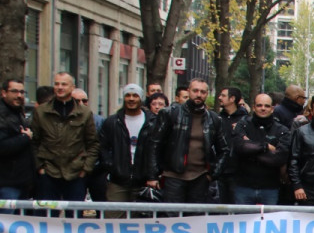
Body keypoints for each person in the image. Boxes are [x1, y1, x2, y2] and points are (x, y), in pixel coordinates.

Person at [147, 78, 230, 204]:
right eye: (195, 90)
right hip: (173, 176)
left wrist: (212, 174)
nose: (199, 95)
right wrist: (153, 176)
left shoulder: (214, 119)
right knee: (173, 217)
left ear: (207, 94)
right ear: (188, 91)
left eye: (203, 92)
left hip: (200, 177)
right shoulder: (170, 114)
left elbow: (224, 149)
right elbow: (154, 144)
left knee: (196, 218)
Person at [31, 71, 100, 202]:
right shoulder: (41, 112)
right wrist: (40, 168)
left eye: (64, 84)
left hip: (76, 173)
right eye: (56, 84)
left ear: (72, 87)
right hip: (49, 173)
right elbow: (35, 142)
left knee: (74, 218)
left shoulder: (84, 113)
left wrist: (85, 169)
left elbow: (93, 143)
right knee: (48, 217)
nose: (60, 87)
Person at [99, 83, 155, 217]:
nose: (131, 99)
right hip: (118, 179)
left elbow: (159, 149)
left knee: (142, 222)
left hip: (143, 180)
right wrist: (111, 166)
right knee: (113, 219)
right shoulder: (112, 122)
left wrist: (153, 174)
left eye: (135, 95)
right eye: (128, 95)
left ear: (141, 98)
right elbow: (102, 147)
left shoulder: (153, 122)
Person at [230, 93, 290, 205]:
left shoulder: (282, 130)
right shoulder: (242, 125)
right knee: (243, 222)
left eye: (267, 106)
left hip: (270, 188)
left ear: (272, 109)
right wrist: (265, 147)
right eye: (259, 105)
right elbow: (239, 147)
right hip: (243, 186)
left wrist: (250, 149)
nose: (263, 108)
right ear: (254, 107)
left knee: (269, 221)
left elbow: (279, 158)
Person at [0, 78, 35, 204]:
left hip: (20, 181)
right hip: (5, 182)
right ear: (4, 93)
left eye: (22, 92)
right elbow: (0, 146)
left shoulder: (16, 113)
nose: (19, 95)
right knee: (5, 219)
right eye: (14, 91)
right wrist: (25, 138)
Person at [72, 88, 107, 202]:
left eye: (84, 100)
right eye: (77, 101)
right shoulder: (65, 121)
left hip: (97, 170)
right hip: (74, 171)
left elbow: (105, 145)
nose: (81, 104)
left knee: (100, 204)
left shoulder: (100, 121)